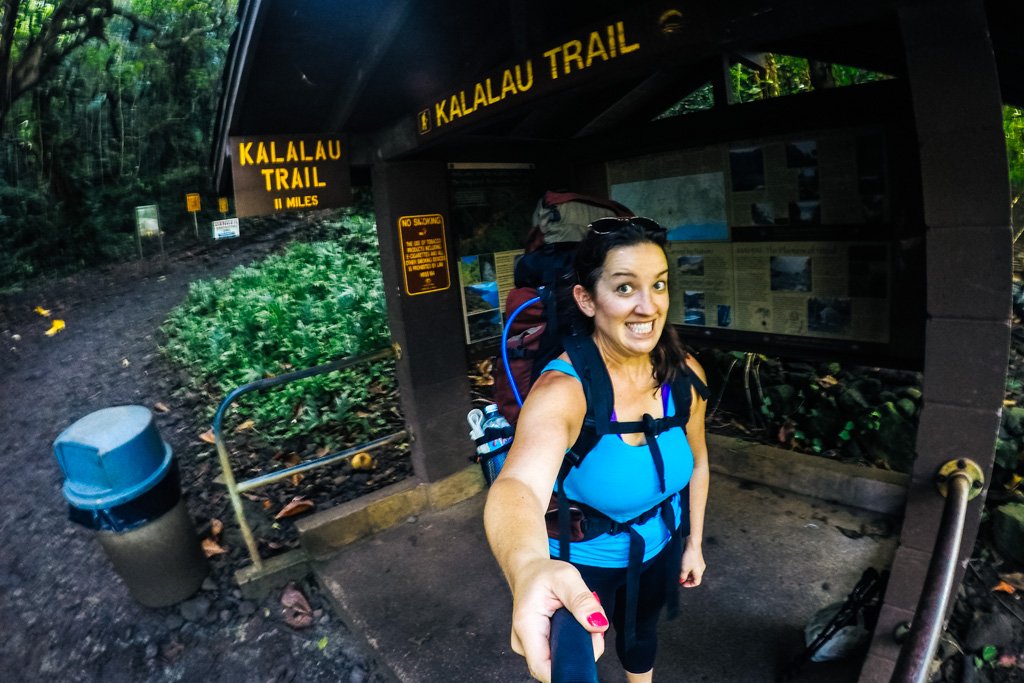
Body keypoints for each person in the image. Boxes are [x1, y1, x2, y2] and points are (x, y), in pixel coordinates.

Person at [484, 216, 710, 683]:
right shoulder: (563, 391)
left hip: (660, 542)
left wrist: (694, 543)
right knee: (574, 660)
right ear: (587, 299)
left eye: (660, 285)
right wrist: (528, 569)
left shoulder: (685, 375)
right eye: (625, 288)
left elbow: (699, 460)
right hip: (580, 560)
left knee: (640, 637)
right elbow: (519, 485)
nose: (648, 306)